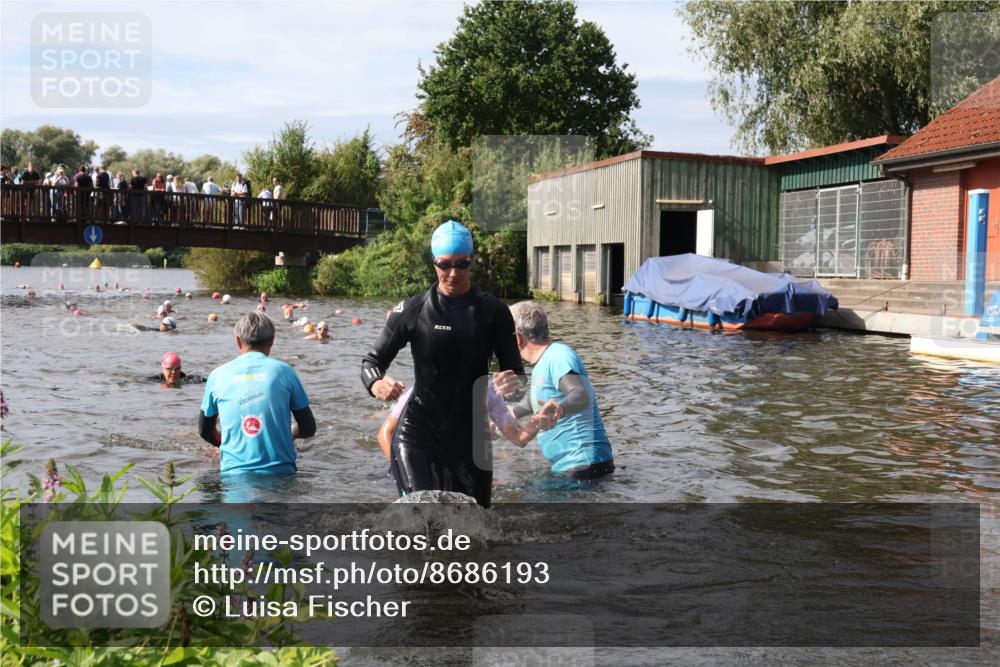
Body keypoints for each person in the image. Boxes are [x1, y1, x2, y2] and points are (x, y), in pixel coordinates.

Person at [360, 220, 524, 507]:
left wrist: (513, 386)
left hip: (471, 440)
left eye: (462, 264)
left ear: (471, 261)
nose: (453, 273)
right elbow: (371, 362)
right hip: (418, 434)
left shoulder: (494, 311)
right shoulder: (414, 309)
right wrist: (376, 383)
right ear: (433, 262)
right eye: (444, 264)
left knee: (477, 525)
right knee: (419, 516)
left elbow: (518, 378)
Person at [502, 301, 615, 480]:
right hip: (574, 467)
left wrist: (559, 409)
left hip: (583, 465)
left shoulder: (559, 356)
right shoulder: (544, 362)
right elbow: (536, 400)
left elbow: (579, 395)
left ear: (517, 338)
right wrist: (509, 413)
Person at [198, 311, 316, 474]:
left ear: (237, 341)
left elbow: (204, 431)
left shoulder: (217, 375)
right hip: (282, 474)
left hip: (233, 475)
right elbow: (308, 428)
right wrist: (292, 432)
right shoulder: (285, 372)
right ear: (272, 340)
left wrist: (225, 445)